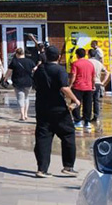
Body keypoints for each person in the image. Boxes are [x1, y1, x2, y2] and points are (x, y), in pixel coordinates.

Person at [33, 45, 80, 178]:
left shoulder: (39, 70)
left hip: (41, 107)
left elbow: (35, 85)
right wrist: (75, 100)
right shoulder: (60, 70)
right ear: (59, 57)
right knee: (68, 134)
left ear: (46, 56)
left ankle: (41, 169)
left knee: (43, 137)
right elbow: (64, 88)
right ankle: (68, 166)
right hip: (58, 108)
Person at [4, 47, 34, 121]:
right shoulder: (30, 61)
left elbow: (9, 72)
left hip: (18, 82)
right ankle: (26, 114)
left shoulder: (14, 62)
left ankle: (22, 115)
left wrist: (5, 78)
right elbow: (34, 69)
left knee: (20, 98)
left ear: (17, 54)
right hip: (28, 82)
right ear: (23, 53)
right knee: (26, 98)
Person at [69, 48, 95, 132]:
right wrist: (93, 86)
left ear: (77, 55)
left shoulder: (75, 63)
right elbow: (93, 77)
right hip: (88, 87)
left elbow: (73, 75)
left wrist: (70, 85)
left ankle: (77, 121)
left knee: (76, 103)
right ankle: (87, 122)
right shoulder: (90, 64)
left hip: (77, 86)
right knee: (88, 104)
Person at [88, 48, 110, 127]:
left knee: (88, 101)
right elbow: (107, 72)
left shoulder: (88, 62)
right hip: (98, 83)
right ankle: (96, 116)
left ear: (89, 54)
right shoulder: (99, 63)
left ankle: (87, 116)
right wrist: (103, 82)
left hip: (89, 83)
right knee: (96, 101)